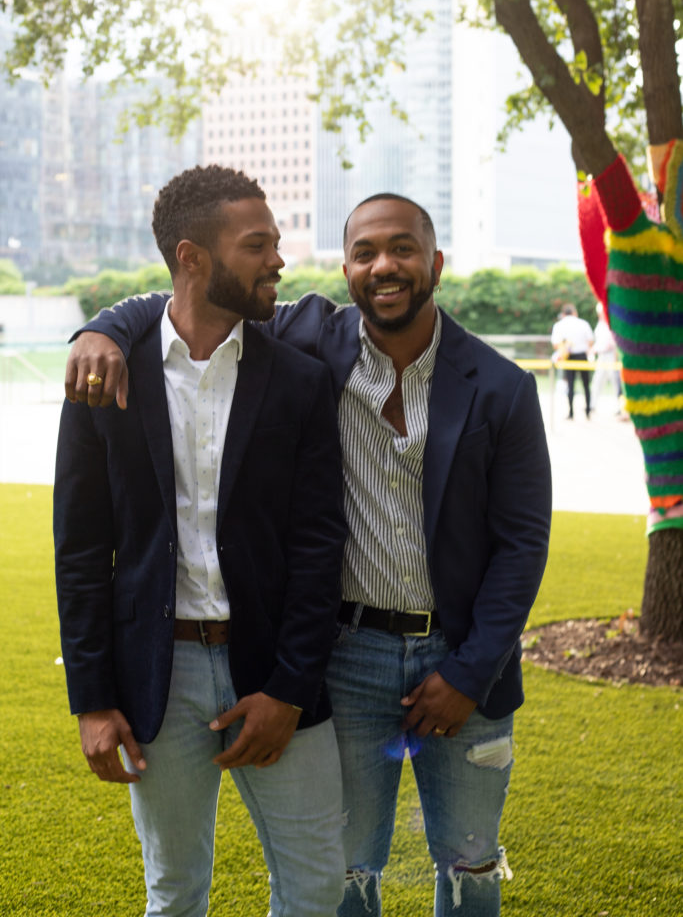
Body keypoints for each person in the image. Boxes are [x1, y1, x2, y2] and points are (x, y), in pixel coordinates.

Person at [64, 191, 552, 917]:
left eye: (403, 249)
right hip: (346, 657)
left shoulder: (501, 388)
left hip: (462, 660)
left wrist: (470, 671)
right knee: (345, 871)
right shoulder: (310, 338)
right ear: (348, 270)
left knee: (469, 860)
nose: (383, 266)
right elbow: (180, 298)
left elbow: (521, 544)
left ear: (436, 263)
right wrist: (95, 328)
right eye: (363, 253)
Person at [54, 165, 348, 917]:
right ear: (191, 258)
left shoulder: (300, 382)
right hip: (159, 676)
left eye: (274, 243)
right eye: (257, 245)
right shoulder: (103, 377)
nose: (277, 260)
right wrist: (91, 701)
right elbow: (81, 551)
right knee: (174, 893)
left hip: (276, 671)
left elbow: (320, 547)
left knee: (316, 888)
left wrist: (288, 688)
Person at [551, 303, 594, 419]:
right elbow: (590, 341)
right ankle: (588, 411)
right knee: (586, 384)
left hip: (568, 356)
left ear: (563, 314)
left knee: (570, 384)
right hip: (582, 356)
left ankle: (571, 413)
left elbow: (556, 344)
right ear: (574, 312)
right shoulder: (583, 323)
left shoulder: (559, 325)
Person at [592, 301, 622, 413]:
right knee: (597, 380)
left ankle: (619, 407)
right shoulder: (600, 324)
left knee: (615, 382)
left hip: (611, 355)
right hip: (601, 356)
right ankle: (592, 404)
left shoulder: (612, 323)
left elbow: (614, 341)